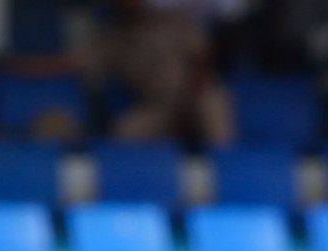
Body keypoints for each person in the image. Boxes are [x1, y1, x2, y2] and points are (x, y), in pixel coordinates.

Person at [12, 0, 235, 145]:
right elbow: (64, 63)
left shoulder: (172, 20)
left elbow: (203, 59)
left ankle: (229, 178)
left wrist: (187, 104)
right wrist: (10, 64)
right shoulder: (112, 40)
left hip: (195, 94)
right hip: (160, 107)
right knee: (124, 131)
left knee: (211, 105)